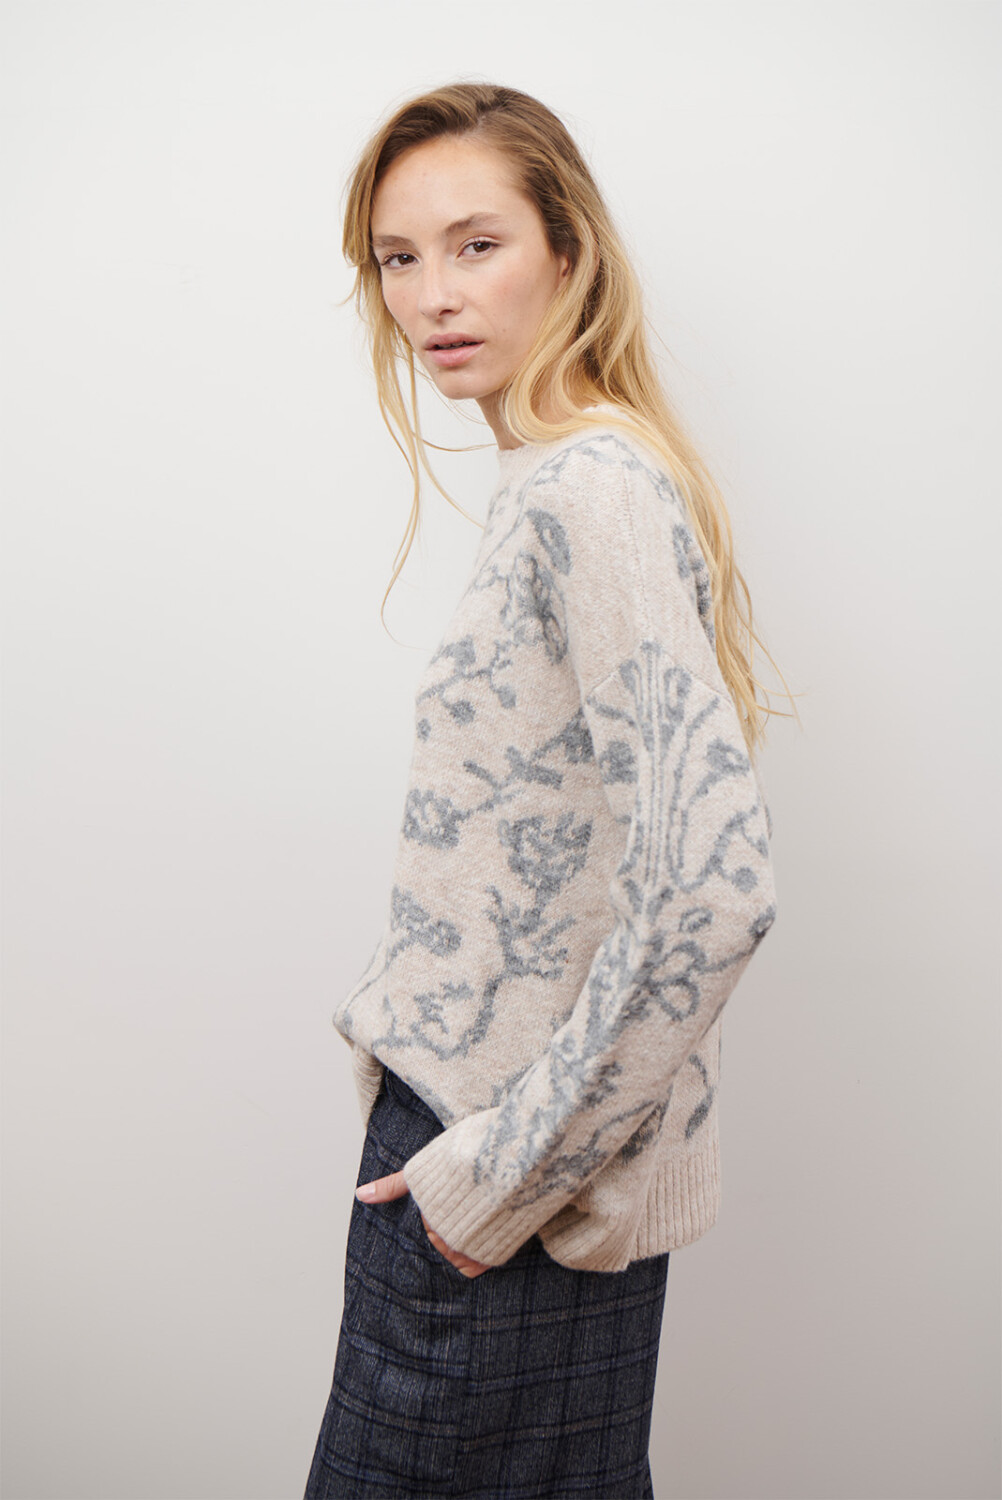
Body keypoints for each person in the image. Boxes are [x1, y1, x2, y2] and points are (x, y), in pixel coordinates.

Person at [304, 81, 784, 1500]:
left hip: (503, 1185)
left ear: (567, 251)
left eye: (477, 244)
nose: (432, 295)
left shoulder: (591, 489)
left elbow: (713, 889)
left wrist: (498, 1177)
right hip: (510, 1170)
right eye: (398, 258)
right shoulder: (557, 477)